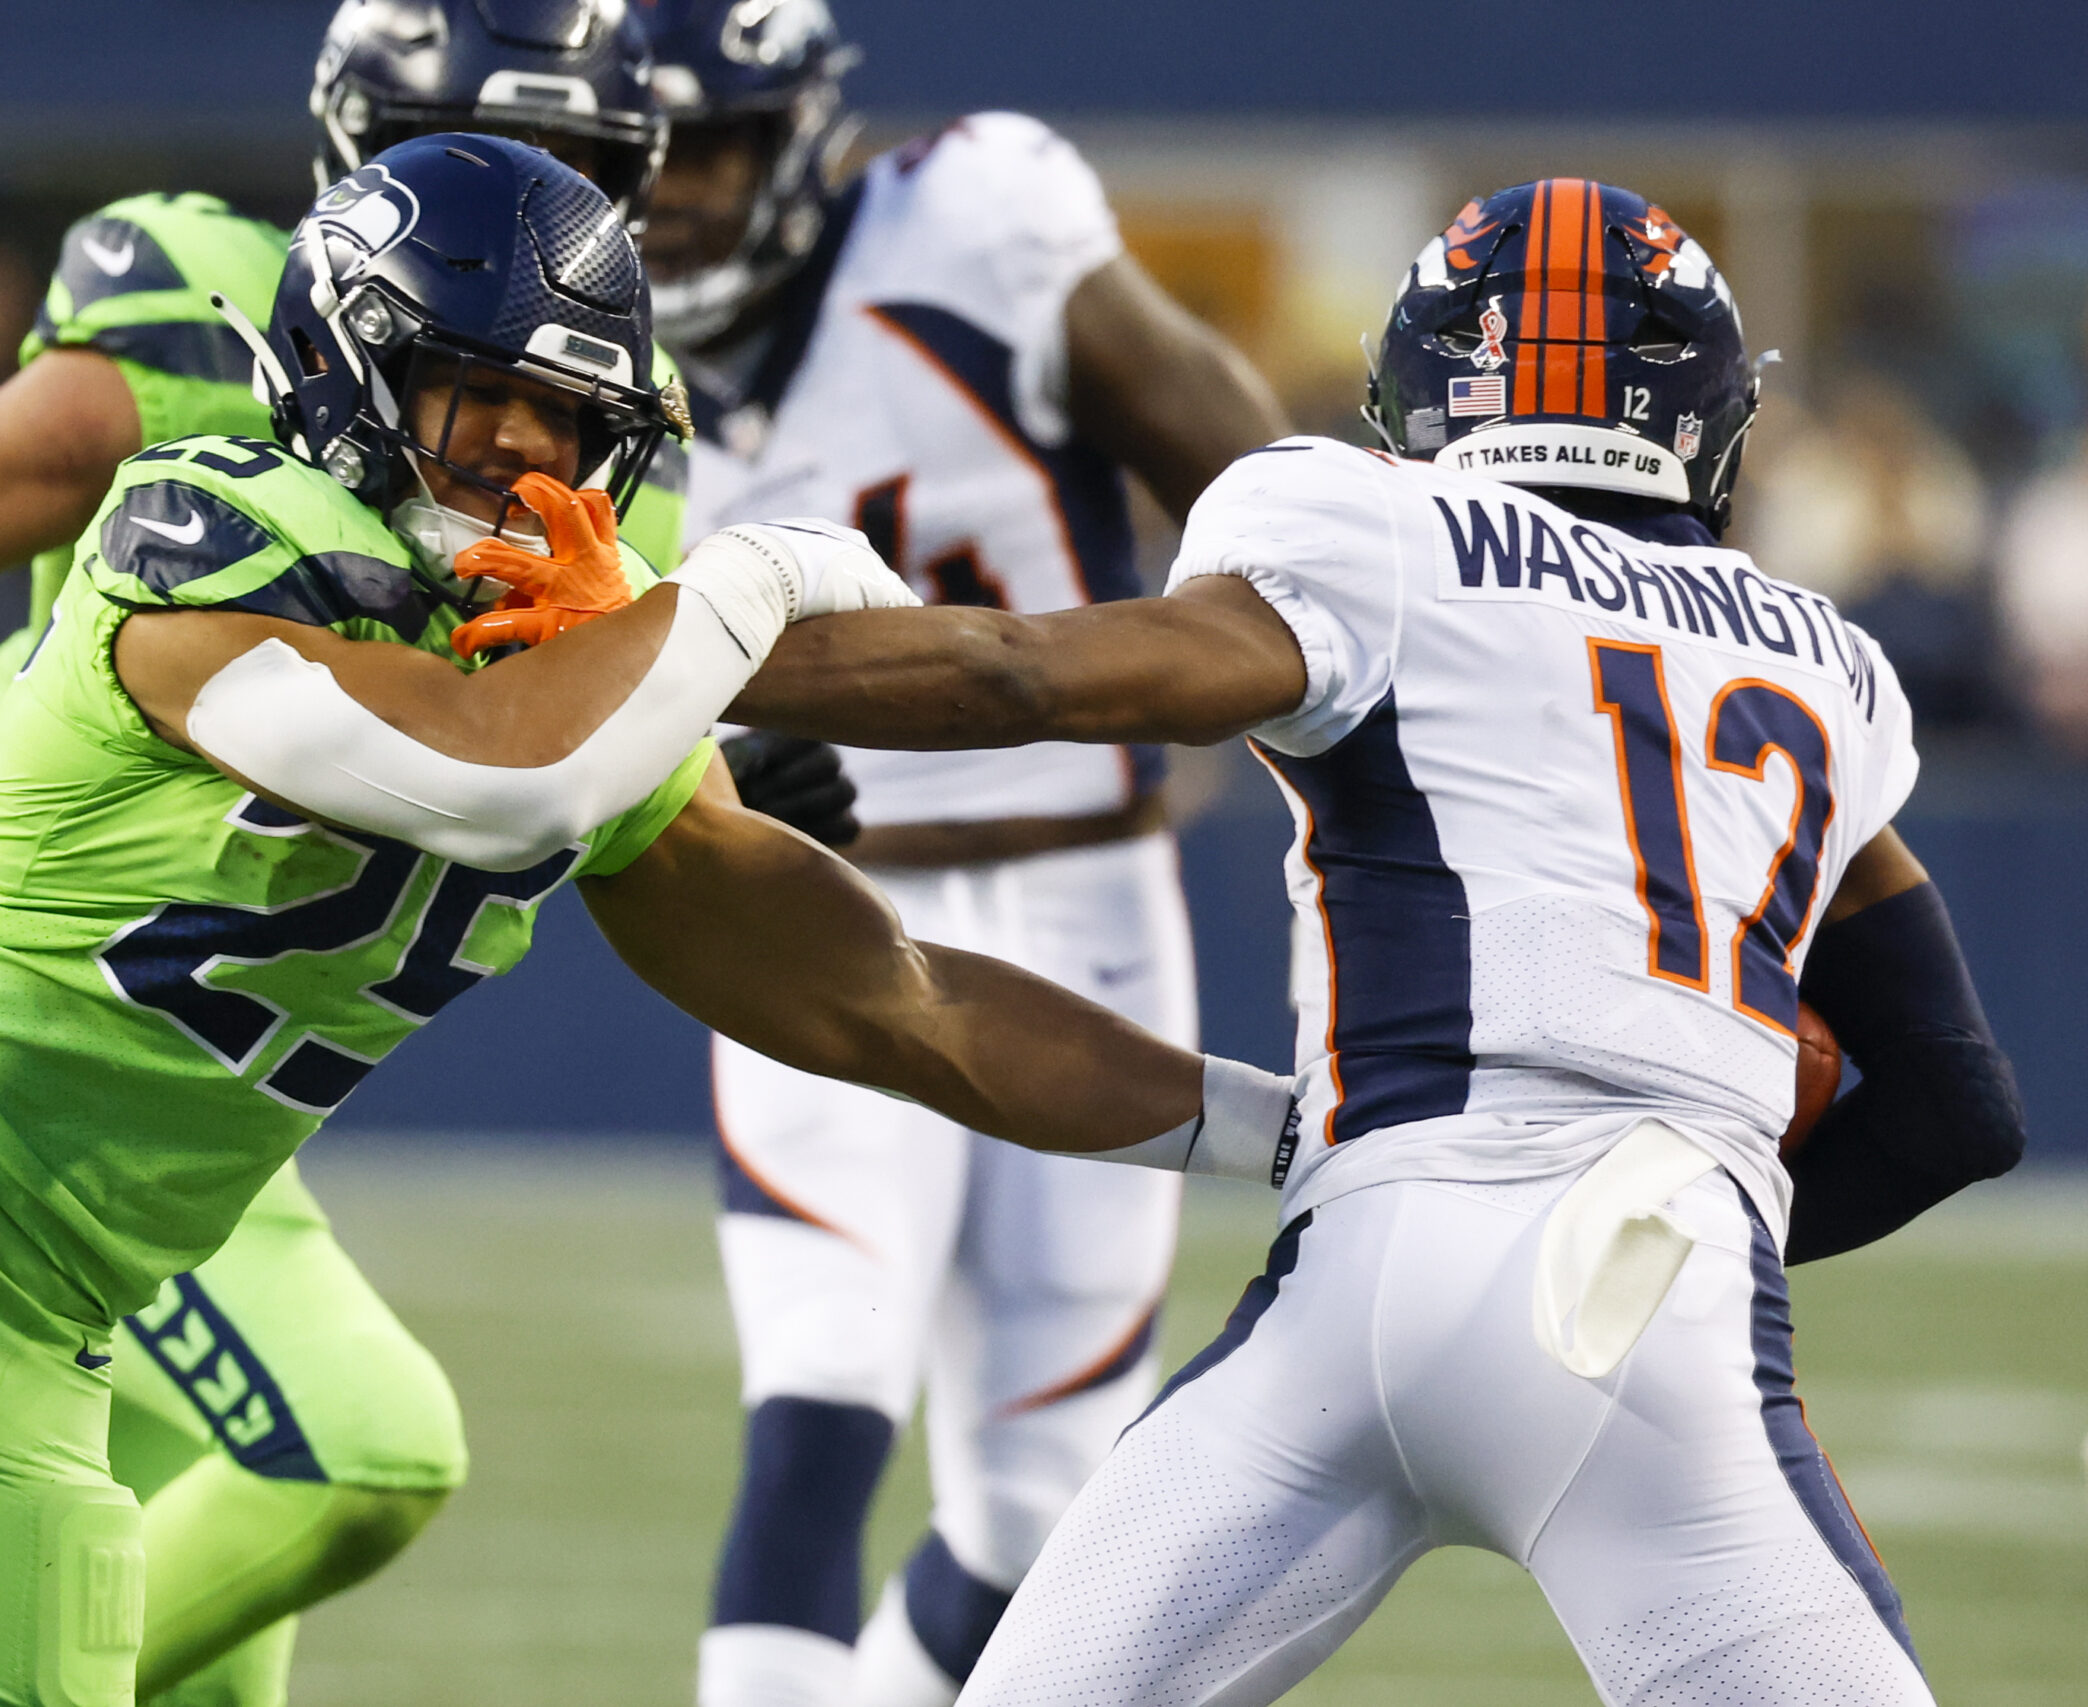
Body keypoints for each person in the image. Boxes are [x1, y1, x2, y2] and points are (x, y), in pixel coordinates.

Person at [0, 141, 1298, 1707]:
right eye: (474, 390)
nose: (527, 451)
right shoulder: (208, 524)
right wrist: (747, 586)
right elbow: (490, 777)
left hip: (37, 1339)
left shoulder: (580, 698)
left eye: (571, 417)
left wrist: (1295, 1131)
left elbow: (907, 1013)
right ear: (353, 370)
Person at [0, 5, 829, 1701]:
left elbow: (608, 736)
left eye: (598, 174)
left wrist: (723, 714)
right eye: (529, 160)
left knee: (214, 1502)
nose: (558, 222)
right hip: (27, 993)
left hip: (208, 1090)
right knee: (352, 1448)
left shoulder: (599, 449)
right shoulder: (199, 321)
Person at [724, 178, 2026, 1702]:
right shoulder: (1820, 663)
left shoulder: (1365, 525)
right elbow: (1956, 1108)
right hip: (1649, 1295)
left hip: (1352, 1285)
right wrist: (1708, 1224)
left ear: (1416, 389)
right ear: (1712, 417)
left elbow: (1022, 677)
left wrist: (693, 655)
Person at [626, 8, 1290, 1703]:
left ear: (802, 135)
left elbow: (1266, 494)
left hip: (1088, 892)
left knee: (1046, 1502)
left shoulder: (976, 220)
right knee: (820, 1422)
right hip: (817, 912)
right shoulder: (575, 347)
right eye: (650, 145)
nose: (679, 190)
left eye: (717, 143)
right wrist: (695, 747)